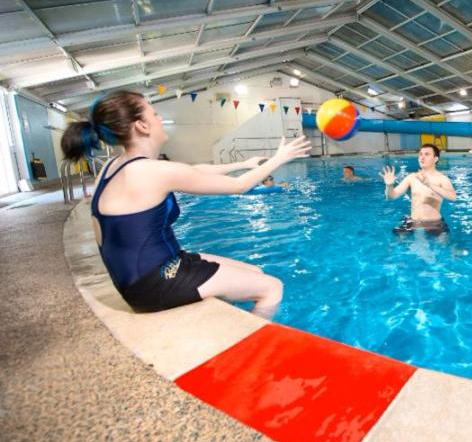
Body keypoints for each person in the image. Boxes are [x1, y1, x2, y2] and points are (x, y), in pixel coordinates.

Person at [61, 90, 311, 319]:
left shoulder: (114, 166)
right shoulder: (149, 171)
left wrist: (242, 164)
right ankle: (251, 351)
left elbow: (192, 170)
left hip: (149, 271)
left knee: (255, 272)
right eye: (155, 113)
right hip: (154, 281)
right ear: (142, 125)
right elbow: (239, 186)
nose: (160, 118)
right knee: (272, 287)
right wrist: (280, 158)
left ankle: (229, 321)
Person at [379, 143, 457, 234]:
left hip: (434, 223)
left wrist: (430, 184)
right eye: (420, 154)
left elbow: (453, 197)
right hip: (413, 222)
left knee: (445, 246)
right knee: (396, 243)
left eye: (426, 154)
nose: (422, 157)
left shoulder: (442, 179)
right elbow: (391, 196)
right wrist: (389, 186)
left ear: (435, 159)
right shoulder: (412, 177)